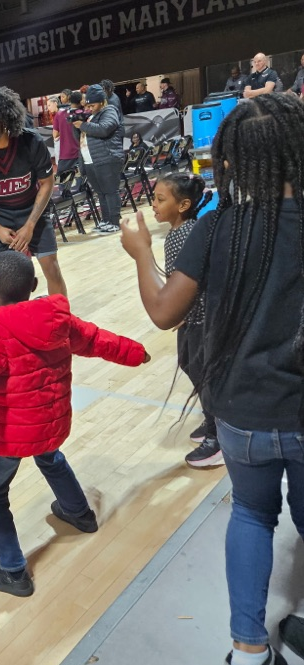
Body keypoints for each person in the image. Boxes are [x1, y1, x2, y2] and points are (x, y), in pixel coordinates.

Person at [120, 92, 304, 665]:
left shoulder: (216, 228)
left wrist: (142, 253)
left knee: (252, 515)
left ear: (229, 161)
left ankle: (248, 654)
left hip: (240, 415)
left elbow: (164, 312)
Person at [0, 251, 148, 596]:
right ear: (34, 285)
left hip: (8, 432)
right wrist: (134, 352)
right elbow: (94, 340)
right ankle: (79, 513)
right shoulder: (55, 314)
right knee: (49, 455)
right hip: (49, 421)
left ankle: (14, 570)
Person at [0, 86, 67, 322]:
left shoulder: (31, 143)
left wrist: (30, 225)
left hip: (32, 211)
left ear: (5, 122)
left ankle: (64, 322)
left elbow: (47, 184)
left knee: (51, 267)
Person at [150, 173, 219, 467]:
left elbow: (186, 284)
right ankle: (211, 418)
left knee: (203, 371)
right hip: (192, 318)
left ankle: (219, 437)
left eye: (160, 199)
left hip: (200, 318)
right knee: (189, 363)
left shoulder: (184, 234)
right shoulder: (181, 230)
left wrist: (179, 311)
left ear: (184, 204)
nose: (152, 204)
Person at [75, 83, 124, 235]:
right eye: (88, 105)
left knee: (110, 191)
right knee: (101, 193)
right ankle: (106, 220)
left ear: (102, 102)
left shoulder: (109, 110)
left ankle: (114, 222)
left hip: (107, 158)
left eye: (93, 105)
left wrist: (83, 125)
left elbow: (104, 129)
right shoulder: (91, 115)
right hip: (91, 160)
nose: (90, 108)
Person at [49, 91, 79, 174]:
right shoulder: (80, 112)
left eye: (63, 97)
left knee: (63, 182)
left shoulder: (59, 114)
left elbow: (55, 134)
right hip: (79, 151)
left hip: (66, 153)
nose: (61, 99)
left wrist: (63, 131)